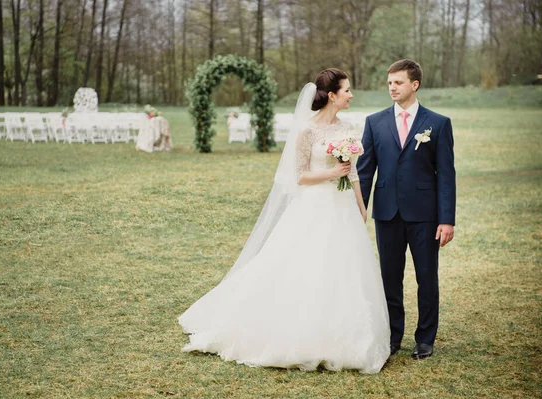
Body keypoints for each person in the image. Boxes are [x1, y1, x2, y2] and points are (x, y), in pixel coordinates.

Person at [179, 69, 390, 374]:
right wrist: (331, 174)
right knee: (305, 266)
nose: (351, 94)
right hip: (315, 206)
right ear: (332, 95)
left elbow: (353, 170)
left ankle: (345, 335)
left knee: (344, 267)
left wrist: (360, 204)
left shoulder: (348, 127)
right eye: (347, 90)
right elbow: (299, 176)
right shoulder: (307, 131)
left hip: (342, 206)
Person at [357, 59, 456, 360]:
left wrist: (446, 220)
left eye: (398, 83)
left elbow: (446, 175)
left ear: (414, 85)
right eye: (389, 83)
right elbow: (364, 172)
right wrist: (356, 210)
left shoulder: (437, 123)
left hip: (425, 215)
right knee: (389, 278)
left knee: (427, 277)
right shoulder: (374, 122)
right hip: (386, 213)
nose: (392, 88)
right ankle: (391, 337)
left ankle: (425, 339)